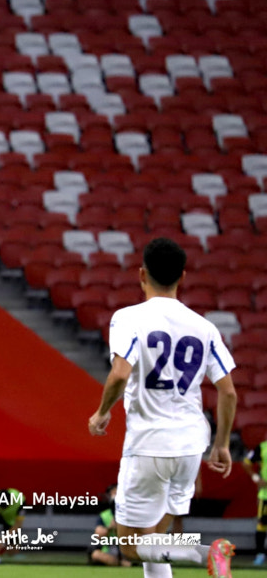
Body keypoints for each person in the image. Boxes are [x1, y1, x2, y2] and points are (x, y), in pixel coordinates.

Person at [88, 237, 238, 578]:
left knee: (130, 545)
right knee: (154, 539)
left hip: (149, 445)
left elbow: (120, 374)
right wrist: (222, 444)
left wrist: (102, 412)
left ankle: (204, 553)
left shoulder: (128, 318)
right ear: (182, 276)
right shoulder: (204, 327)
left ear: (142, 274)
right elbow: (228, 393)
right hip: (190, 448)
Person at [89, 484, 132, 567]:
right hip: (110, 549)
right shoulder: (105, 515)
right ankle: (119, 563)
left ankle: (128, 562)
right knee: (96, 554)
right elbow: (98, 534)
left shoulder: (130, 513)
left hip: (127, 548)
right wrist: (110, 527)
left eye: (116, 492)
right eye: (112, 493)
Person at [242, 429, 267, 565]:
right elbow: (246, 463)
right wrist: (256, 478)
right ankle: (260, 554)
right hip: (265, 495)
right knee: (262, 524)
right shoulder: (262, 447)